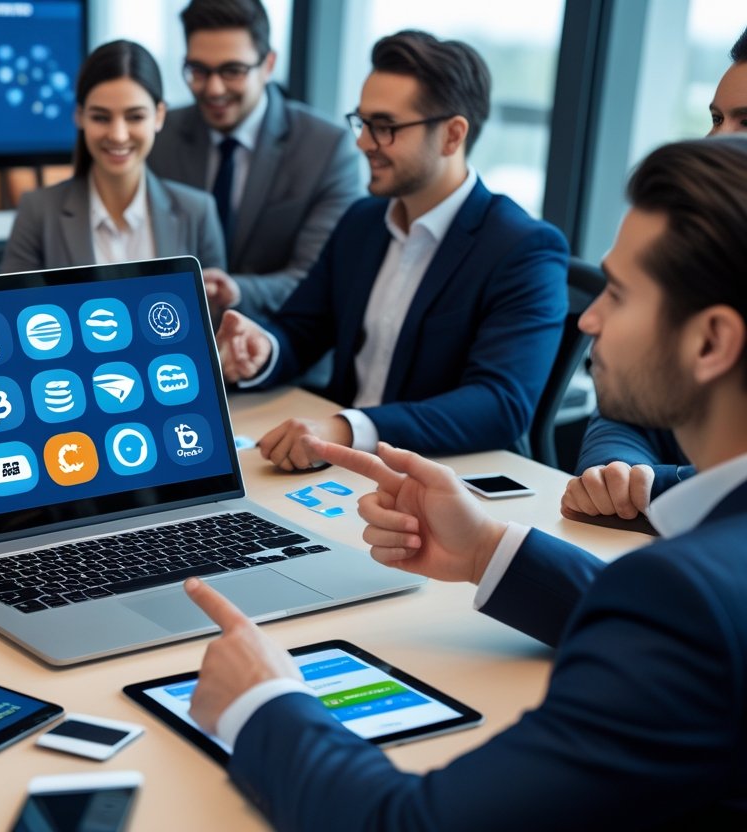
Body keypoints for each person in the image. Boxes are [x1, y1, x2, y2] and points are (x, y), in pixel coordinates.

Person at [184, 136, 747, 830]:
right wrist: (488, 550)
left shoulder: (685, 598)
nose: (591, 316)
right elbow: (692, 648)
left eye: (620, 294)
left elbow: (408, 823)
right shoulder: (697, 597)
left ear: (712, 342)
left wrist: (261, 702)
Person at [217, 30, 567, 466]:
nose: (363, 142)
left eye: (384, 127)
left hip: (444, 478)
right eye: (362, 123)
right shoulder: (363, 222)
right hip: (340, 466)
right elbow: (303, 329)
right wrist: (264, 349)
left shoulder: (523, 249)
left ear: (452, 135)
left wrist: (349, 429)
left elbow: (500, 404)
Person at [562, 25, 746, 521]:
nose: (716, 140)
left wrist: (651, 484)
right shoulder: (703, 250)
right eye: (715, 118)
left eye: (745, 124)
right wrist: (615, 472)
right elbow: (627, 407)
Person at [148, 0, 362, 321]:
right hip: (175, 336)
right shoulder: (158, 136)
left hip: (283, 348)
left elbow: (314, 278)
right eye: (199, 71)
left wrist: (235, 291)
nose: (213, 88)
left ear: (269, 65)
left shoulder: (328, 148)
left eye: (232, 71)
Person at [0, 40, 225, 274]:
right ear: (79, 116)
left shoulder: (197, 212)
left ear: (159, 116)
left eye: (135, 117)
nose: (118, 136)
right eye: (101, 117)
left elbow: (214, 309)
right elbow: (13, 307)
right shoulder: (37, 213)